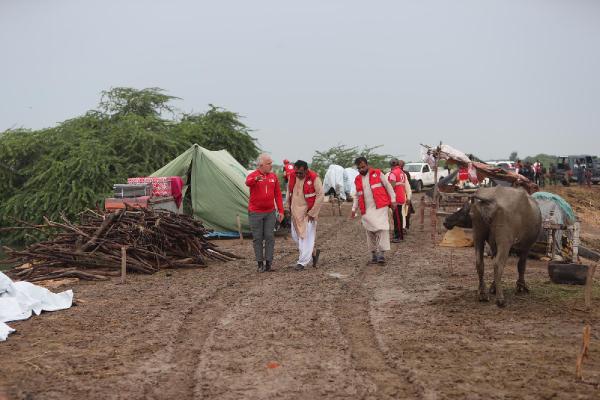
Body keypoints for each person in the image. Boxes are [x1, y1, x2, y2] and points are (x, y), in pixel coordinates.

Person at [351, 157, 396, 265]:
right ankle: (373, 254)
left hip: (380, 206)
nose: (361, 169)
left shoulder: (378, 173)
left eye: (363, 167)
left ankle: (381, 254)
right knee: (369, 231)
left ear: (367, 165)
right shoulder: (357, 179)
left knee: (382, 228)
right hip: (366, 209)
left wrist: (393, 200)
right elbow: (357, 196)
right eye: (359, 168)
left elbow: (388, 186)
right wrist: (353, 208)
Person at [245, 153, 284, 272]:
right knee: (257, 238)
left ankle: (269, 263)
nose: (271, 165)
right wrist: (256, 179)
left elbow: (277, 194)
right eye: (269, 163)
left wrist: (281, 211)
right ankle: (259, 264)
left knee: (269, 237)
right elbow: (248, 182)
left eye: (271, 163)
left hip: (270, 212)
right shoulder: (253, 176)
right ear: (261, 165)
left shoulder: (273, 176)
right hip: (255, 212)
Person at [286, 160, 324, 271]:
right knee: (296, 236)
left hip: (308, 212)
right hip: (295, 212)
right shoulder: (292, 176)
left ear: (306, 170)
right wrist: (286, 206)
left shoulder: (314, 178)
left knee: (306, 238)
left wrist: (313, 212)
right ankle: (313, 252)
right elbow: (289, 192)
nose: (298, 175)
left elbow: (321, 195)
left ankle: (302, 262)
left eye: (300, 173)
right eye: (296, 172)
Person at [387, 158, 412, 243]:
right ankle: (397, 234)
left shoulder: (393, 173)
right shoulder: (402, 172)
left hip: (396, 197)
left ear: (391, 165)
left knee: (397, 217)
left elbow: (391, 186)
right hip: (401, 196)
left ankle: (399, 236)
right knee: (399, 216)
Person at [399, 160, 414, 230]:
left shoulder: (405, 174)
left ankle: (405, 227)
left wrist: (408, 197)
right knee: (403, 212)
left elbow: (408, 186)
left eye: (401, 165)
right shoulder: (405, 173)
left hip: (404, 195)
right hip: (402, 195)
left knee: (406, 212)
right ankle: (403, 227)